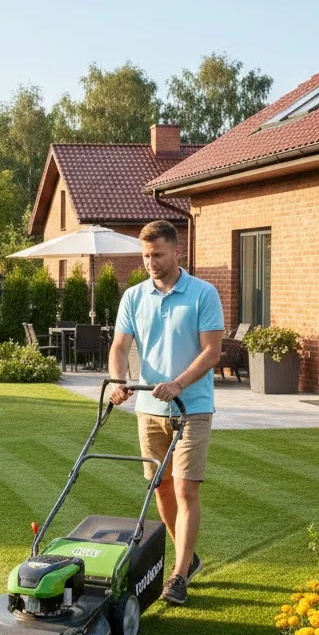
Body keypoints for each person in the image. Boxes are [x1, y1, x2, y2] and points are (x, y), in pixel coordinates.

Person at [108, 219, 224, 606]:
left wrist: (179, 383)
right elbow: (120, 347)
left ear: (177, 251)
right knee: (161, 487)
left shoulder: (203, 294)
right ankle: (187, 560)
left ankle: (177, 576)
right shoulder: (134, 297)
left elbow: (212, 352)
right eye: (145, 256)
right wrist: (118, 379)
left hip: (192, 407)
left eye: (157, 254)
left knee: (186, 488)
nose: (150, 262)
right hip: (149, 406)